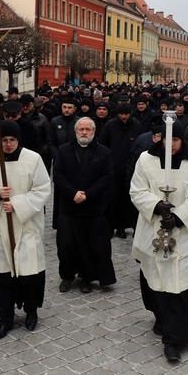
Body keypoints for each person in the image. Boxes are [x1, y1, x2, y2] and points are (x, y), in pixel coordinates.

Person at [130, 120, 188, 363]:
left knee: (180, 281)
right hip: (152, 228)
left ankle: (175, 338)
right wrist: (156, 205)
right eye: (167, 140)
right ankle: (161, 316)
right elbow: (136, 190)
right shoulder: (146, 159)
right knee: (153, 276)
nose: (172, 145)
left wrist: (177, 217)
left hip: (183, 234)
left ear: (182, 140)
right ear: (160, 139)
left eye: (176, 140)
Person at [0, 120, 51, 338]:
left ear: (18, 140)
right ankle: (5, 318)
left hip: (26, 226)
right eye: (4, 140)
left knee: (29, 275)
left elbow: (43, 189)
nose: (8, 145)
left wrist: (16, 203)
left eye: (12, 140)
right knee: (3, 277)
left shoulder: (33, 159)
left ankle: (31, 312)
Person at [53, 117, 116, 294]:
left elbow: (107, 177)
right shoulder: (64, 150)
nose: (84, 132)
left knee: (89, 246)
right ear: (75, 131)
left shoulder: (104, 152)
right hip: (68, 206)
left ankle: (86, 278)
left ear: (94, 132)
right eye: (81, 129)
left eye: (88, 129)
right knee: (66, 245)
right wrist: (72, 193)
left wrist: (88, 194)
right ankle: (67, 276)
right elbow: (57, 175)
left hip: (92, 208)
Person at [99, 103, 142, 238]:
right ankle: (109, 226)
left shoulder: (136, 126)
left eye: (126, 114)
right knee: (111, 198)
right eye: (121, 114)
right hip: (112, 167)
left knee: (126, 199)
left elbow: (139, 145)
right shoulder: (110, 125)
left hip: (129, 168)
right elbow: (103, 143)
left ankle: (122, 227)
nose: (124, 117)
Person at [47, 97, 79, 229]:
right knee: (59, 192)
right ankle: (58, 222)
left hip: (76, 163)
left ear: (74, 109)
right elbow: (50, 142)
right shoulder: (55, 122)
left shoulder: (79, 122)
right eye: (64, 107)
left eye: (69, 108)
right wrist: (58, 156)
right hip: (59, 163)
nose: (66, 110)